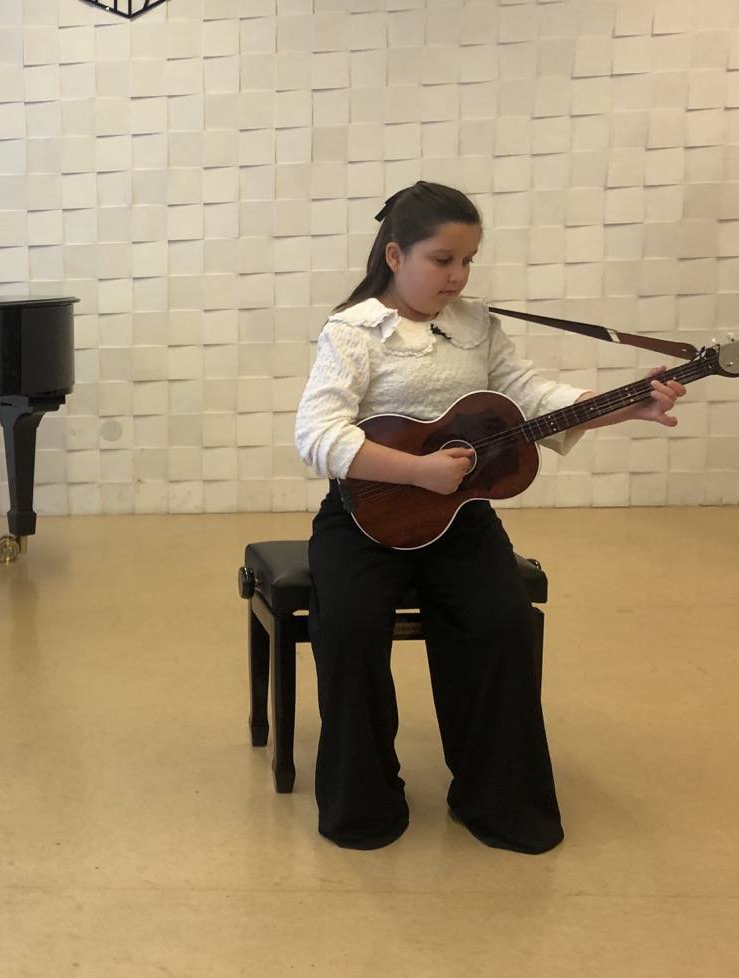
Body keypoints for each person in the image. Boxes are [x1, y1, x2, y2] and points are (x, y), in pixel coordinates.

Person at [293, 181, 686, 853]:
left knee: (502, 621)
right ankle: (365, 805)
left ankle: (499, 802)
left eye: (468, 261)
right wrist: (417, 470)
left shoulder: (476, 326)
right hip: (365, 516)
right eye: (442, 260)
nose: (458, 276)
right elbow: (317, 435)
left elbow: (532, 395)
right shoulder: (354, 331)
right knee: (352, 627)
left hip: (460, 517)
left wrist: (626, 407)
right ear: (395, 255)